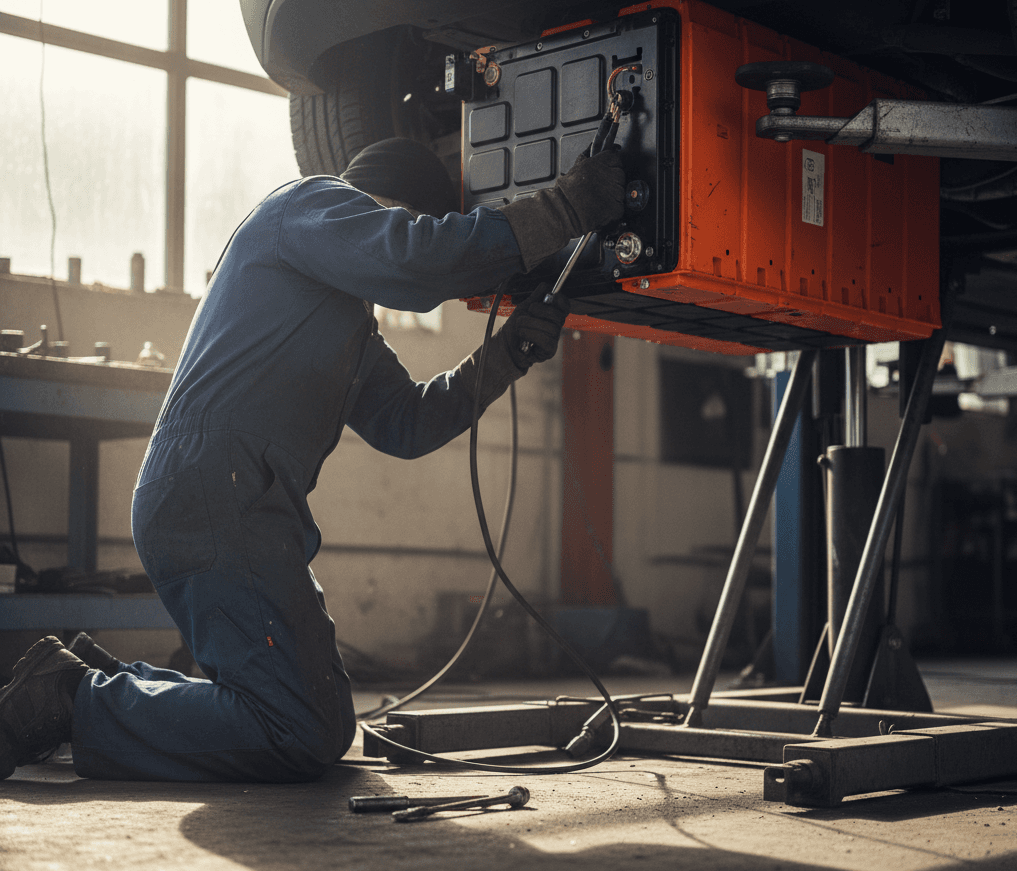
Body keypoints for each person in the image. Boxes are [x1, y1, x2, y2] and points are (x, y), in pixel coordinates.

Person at [0, 137, 625, 782]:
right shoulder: (307, 207)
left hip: (228, 504)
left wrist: (508, 354)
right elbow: (420, 259)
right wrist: (567, 206)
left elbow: (405, 423)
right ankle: (72, 701)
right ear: (384, 210)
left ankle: (77, 686)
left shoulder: (342, 319)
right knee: (297, 728)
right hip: (217, 497)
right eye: (402, 226)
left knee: (320, 721)